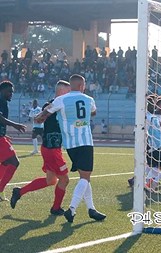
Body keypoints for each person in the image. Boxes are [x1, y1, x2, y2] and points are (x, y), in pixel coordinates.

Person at [36, 74, 106, 223]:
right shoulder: (89, 99)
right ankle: (72, 209)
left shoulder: (61, 100)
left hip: (69, 144)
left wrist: (39, 117)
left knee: (84, 177)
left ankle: (91, 209)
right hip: (85, 142)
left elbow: (44, 114)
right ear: (82, 86)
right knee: (85, 178)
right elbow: (93, 112)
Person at [10, 81, 71, 215]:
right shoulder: (51, 105)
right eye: (68, 91)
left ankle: (19, 192)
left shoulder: (64, 105)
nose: (70, 94)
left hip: (52, 148)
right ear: (61, 92)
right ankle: (55, 208)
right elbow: (38, 120)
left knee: (51, 180)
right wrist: (46, 112)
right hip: (51, 149)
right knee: (64, 179)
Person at [0, 81, 26, 201]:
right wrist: (15, 125)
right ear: (2, 91)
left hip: (1, 137)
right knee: (14, 162)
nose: (11, 94)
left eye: (12, 92)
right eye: (9, 91)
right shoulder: (0, 101)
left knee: (6, 163)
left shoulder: (4, 102)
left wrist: (5, 135)